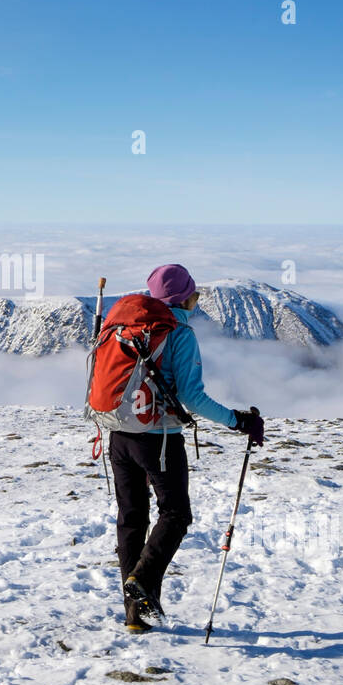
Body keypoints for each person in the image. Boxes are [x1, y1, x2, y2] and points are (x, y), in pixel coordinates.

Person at [112, 263, 264, 632]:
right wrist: (238, 420)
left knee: (132, 519)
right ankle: (143, 582)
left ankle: (137, 617)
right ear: (184, 298)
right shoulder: (179, 332)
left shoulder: (127, 327)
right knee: (176, 514)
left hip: (118, 434)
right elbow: (192, 397)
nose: (198, 300)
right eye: (195, 294)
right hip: (159, 439)